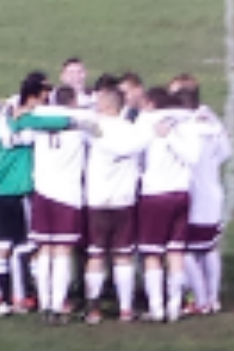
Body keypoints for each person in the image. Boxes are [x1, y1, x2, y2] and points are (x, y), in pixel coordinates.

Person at [0, 77, 96, 316]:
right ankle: (26, 298)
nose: (47, 97)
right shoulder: (28, 123)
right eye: (45, 92)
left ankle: (1, 299)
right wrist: (74, 120)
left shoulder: (6, 117)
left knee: (4, 245)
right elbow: (40, 122)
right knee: (28, 246)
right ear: (37, 93)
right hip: (21, 190)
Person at [83, 87, 157, 324]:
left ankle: (94, 309)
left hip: (97, 201)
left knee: (96, 256)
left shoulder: (95, 128)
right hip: (124, 200)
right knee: (123, 256)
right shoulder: (133, 131)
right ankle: (126, 309)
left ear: (107, 107)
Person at [136, 87, 202, 322]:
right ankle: (174, 306)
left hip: (154, 195)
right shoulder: (189, 123)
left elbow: (136, 156)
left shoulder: (146, 122)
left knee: (151, 253)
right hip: (181, 194)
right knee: (176, 251)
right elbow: (194, 158)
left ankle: (157, 308)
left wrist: (167, 137)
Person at [26, 85, 92, 324]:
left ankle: (45, 305)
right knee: (63, 251)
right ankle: (56, 306)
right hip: (68, 196)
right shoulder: (81, 123)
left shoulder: (39, 122)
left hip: (43, 193)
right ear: (73, 102)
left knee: (44, 250)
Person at [171, 80, 233, 315]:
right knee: (209, 248)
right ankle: (214, 298)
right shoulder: (213, 124)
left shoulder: (184, 128)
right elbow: (226, 152)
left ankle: (201, 299)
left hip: (193, 196)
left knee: (184, 250)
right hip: (214, 194)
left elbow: (189, 157)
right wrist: (211, 164)